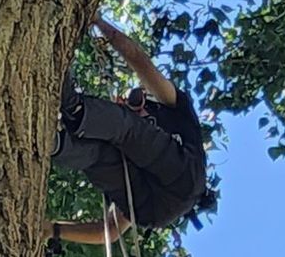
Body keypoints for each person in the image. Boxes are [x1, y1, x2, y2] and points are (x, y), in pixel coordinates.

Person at [52, 15, 208, 230]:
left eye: (135, 99)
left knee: (128, 130)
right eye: (128, 104)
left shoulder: (175, 107)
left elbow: (136, 58)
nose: (135, 107)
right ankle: (54, 144)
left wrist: (98, 22)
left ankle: (75, 108)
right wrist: (52, 231)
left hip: (184, 179)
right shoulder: (131, 149)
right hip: (150, 208)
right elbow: (111, 230)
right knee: (98, 156)